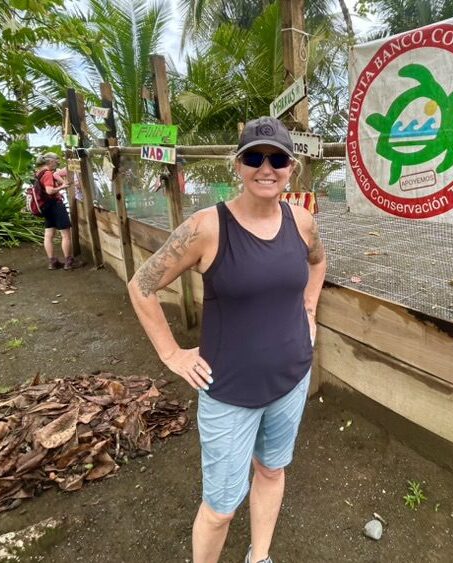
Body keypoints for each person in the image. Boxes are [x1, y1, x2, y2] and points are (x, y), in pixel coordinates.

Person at [127, 117, 327, 563]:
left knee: (272, 471)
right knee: (220, 509)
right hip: (229, 393)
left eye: (277, 158)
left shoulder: (302, 221)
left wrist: (309, 310)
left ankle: (260, 557)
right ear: (236, 165)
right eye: (254, 157)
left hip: (291, 379)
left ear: (291, 167)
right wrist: (171, 353)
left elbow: (318, 263)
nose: (266, 168)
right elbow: (141, 285)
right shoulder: (206, 228)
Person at [35, 152, 81, 270]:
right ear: (50, 162)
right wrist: (62, 186)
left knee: (49, 234)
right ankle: (69, 261)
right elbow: (50, 191)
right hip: (55, 205)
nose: (57, 163)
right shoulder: (48, 174)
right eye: (56, 161)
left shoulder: (39, 173)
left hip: (46, 207)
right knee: (65, 234)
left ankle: (53, 262)